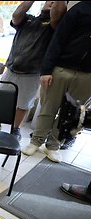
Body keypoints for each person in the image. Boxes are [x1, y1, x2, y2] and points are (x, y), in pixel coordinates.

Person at [0, 1, 67, 141]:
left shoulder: (55, 25)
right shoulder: (28, 19)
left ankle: (16, 129)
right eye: (49, 1)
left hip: (31, 72)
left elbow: (58, 13)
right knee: (2, 98)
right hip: (11, 68)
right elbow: (16, 14)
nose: (52, 3)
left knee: (23, 104)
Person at [22, 1, 91, 163]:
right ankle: (36, 141)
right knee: (48, 108)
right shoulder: (81, 8)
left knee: (72, 114)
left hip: (87, 75)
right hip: (61, 69)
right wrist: (46, 70)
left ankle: (53, 146)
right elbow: (58, 38)